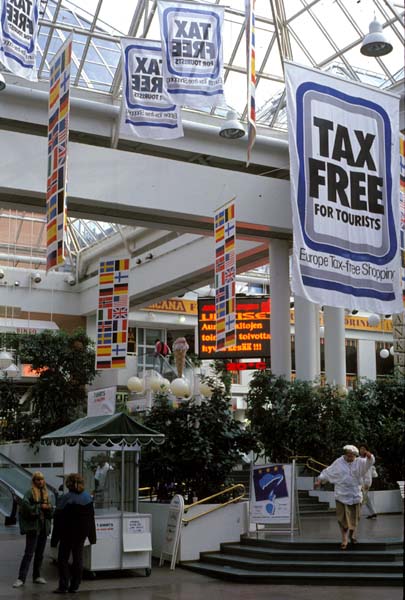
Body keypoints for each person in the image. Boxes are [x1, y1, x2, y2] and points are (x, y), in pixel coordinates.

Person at [314, 444, 375, 550]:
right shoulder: (339, 462)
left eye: (352, 455)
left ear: (355, 455)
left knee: (355, 518)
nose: (350, 457)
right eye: (348, 455)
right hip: (341, 495)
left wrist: (369, 456)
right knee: (342, 519)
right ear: (345, 454)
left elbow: (369, 462)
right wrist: (319, 481)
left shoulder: (359, 462)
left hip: (355, 495)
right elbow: (328, 472)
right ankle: (344, 539)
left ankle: (352, 535)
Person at [51, 473, 96, 594]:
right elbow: (91, 519)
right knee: (78, 557)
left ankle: (63, 586)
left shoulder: (65, 498)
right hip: (81, 533)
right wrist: (92, 537)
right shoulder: (88, 498)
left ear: (68, 484)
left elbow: (57, 520)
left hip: (67, 533)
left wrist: (54, 540)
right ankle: (75, 585)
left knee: (63, 559)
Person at [13, 471, 54, 588]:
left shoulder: (46, 494)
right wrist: (40, 507)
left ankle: (37, 576)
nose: (40, 481)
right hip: (33, 528)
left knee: (40, 554)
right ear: (34, 481)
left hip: (43, 527)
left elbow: (51, 512)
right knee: (29, 553)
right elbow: (25, 509)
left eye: (42, 479)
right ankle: (21, 578)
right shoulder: (29, 493)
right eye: (38, 479)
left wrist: (48, 508)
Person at [359, 444, 378, 519]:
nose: (362, 450)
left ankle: (357, 514)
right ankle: (373, 513)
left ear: (366, 450)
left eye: (363, 449)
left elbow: (372, 459)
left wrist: (368, 454)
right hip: (360, 482)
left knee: (362, 497)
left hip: (366, 482)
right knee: (366, 498)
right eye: (361, 449)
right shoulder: (358, 459)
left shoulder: (368, 458)